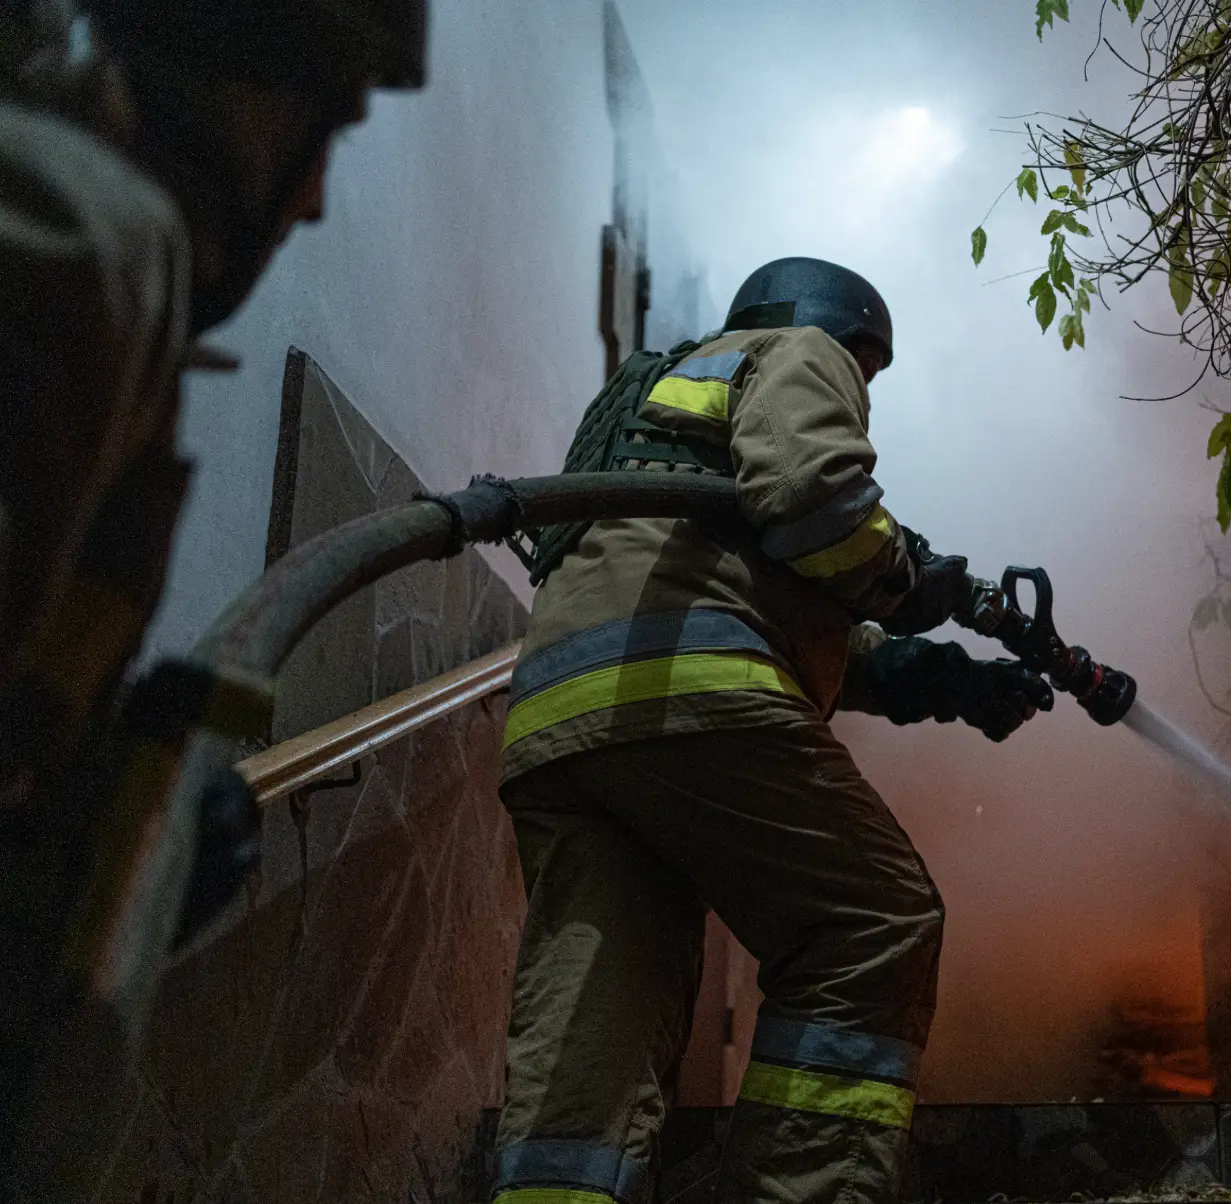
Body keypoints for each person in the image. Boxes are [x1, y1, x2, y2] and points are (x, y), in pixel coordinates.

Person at [494, 257, 1054, 1204]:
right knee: (876, 921)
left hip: (564, 718)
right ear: (847, 334)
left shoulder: (654, 420)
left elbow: (735, 586)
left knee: (594, 1022)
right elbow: (817, 502)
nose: (861, 389)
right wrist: (914, 580)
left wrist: (941, 679)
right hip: (688, 694)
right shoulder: (800, 350)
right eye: (867, 373)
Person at [0, 1, 426, 1194]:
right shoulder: (79, 234)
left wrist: (88, 810)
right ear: (227, 89)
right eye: (322, 131)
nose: (317, 200)